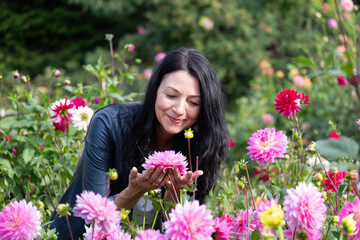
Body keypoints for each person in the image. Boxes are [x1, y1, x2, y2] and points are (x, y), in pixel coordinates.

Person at [50, 47, 230, 239]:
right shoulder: (109, 123)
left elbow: (181, 232)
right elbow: (93, 220)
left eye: (193, 103)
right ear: (155, 90)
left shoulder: (202, 142)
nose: (179, 110)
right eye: (171, 96)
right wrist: (134, 191)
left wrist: (173, 194)